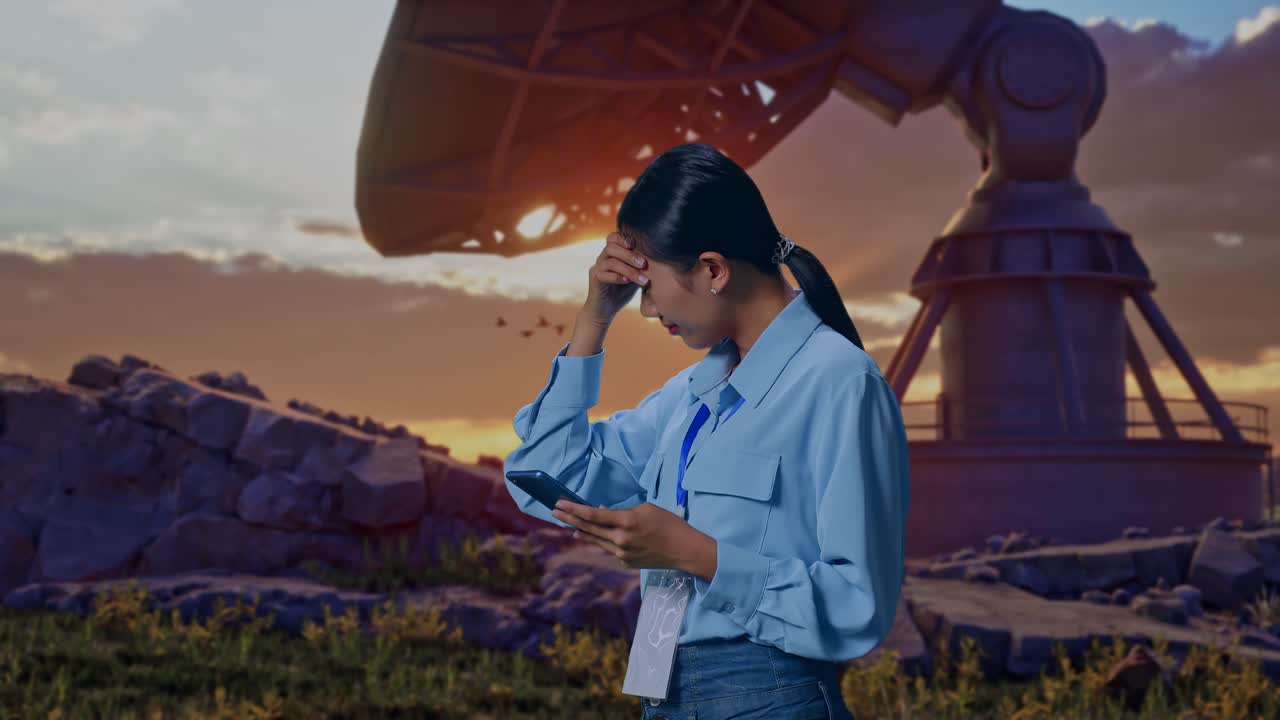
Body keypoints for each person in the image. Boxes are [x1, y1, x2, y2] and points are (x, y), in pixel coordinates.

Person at [504, 143, 909, 720]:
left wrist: (695, 554)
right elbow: (543, 476)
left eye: (648, 286)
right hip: (661, 689)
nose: (644, 309)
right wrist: (594, 318)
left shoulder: (840, 382)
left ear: (713, 270)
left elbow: (857, 604)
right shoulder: (692, 393)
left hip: (767, 695)